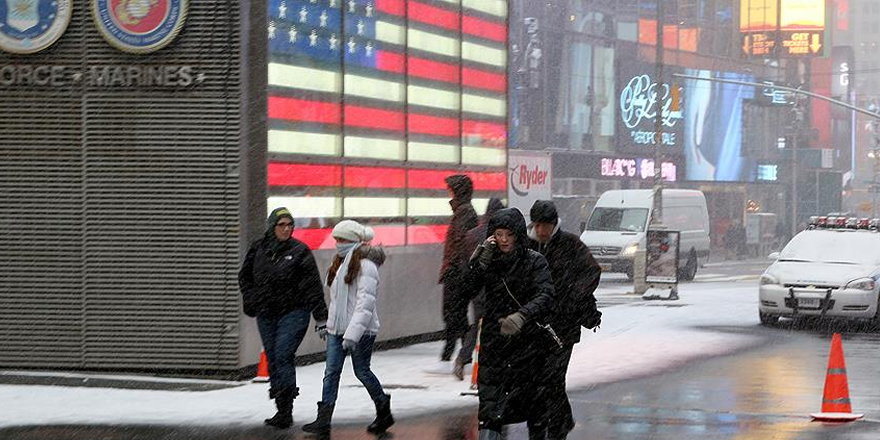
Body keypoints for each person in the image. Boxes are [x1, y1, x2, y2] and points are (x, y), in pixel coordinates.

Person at [464, 208, 556, 440]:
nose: (504, 240)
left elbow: (545, 295)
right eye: (499, 234)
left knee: (534, 406)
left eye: (509, 234)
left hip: (528, 346)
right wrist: (477, 264)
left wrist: (522, 316)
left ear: (518, 234)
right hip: (495, 344)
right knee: (490, 408)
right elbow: (465, 291)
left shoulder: (535, 261)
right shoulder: (489, 262)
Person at [238, 207, 328, 429]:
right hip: (267, 313)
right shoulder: (258, 248)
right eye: (282, 224)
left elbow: (312, 286)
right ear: (272, 226)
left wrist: (321, 317)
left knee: (283, 354)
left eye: (290, 225)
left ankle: (287, 407)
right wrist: (251, 300)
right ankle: (280, 407)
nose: (286, 229)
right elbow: (245, 276)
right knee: (273, 357)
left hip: (294, 311)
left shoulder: (300, 251)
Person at [302, 220, 394, 435]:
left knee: (361, 371)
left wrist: (352, 334)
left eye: (342, 239)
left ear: (353, 241)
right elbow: (336, 301)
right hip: (337, 329)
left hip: (361, 331)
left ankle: (383, 411)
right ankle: (323, 419)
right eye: (336, 239)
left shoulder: (366, 265)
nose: (338, 243)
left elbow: (365, 304)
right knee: (331, 372)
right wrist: (329, 325)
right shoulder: (340, 262)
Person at [528, 200, 602, 440]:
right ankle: (563, 420)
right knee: (542, 379)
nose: (542, 231)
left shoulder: (570, 244)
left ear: (554, 224)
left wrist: (571, 296)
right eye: (538, 225)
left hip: (564, 325)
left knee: (554, 376)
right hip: (537, 325)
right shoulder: (527, 246)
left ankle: (558, 427)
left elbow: (592, 271)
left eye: (546, 226)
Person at [453, 197, 505, 380]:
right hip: (495, 288)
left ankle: (462, 358)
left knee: (477, 326)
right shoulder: (499, 235)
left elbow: (466, 263)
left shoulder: (472, 234)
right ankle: (493, 367)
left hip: (478, 290)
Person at [438, 175, 479, 364]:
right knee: (454, 313)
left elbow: (461, 244)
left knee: (454, 313)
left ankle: (458, 351)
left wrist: (455, 268)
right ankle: (456, 350)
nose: (449, 193)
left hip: (457, 273)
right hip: (456, 271)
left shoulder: (465, 213)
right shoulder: (462, 212)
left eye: (451, 189)